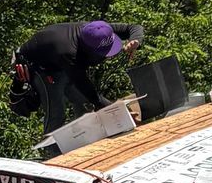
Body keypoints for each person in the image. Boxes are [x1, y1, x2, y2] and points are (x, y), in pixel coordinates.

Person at [11, 19, 143, 133]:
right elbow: (89, 91)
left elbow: (133, 27)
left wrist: (135, 40)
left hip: (60, 63)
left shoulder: (99, 30)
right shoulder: (69, 53)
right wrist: (118, 112)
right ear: (87, 49)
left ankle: (86, 136)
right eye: (104, 53)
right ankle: (52, 153)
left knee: (84, 103)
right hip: (39, 67)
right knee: (56, 112)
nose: (108, 56)